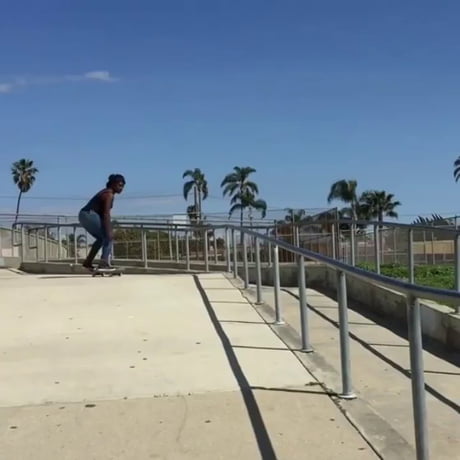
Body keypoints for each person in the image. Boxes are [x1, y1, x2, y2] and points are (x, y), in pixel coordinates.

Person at [78, 174, 126, 270]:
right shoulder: (109, 194)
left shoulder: (106, 193)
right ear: (112, 184)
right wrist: (109, 231)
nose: (121, 188)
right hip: (89, 214)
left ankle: (88, 262)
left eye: (123, 186)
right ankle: (103, 263)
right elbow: (106, 214)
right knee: (108, 237)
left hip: (84, 215)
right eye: (119, 185)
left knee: (101, 239)